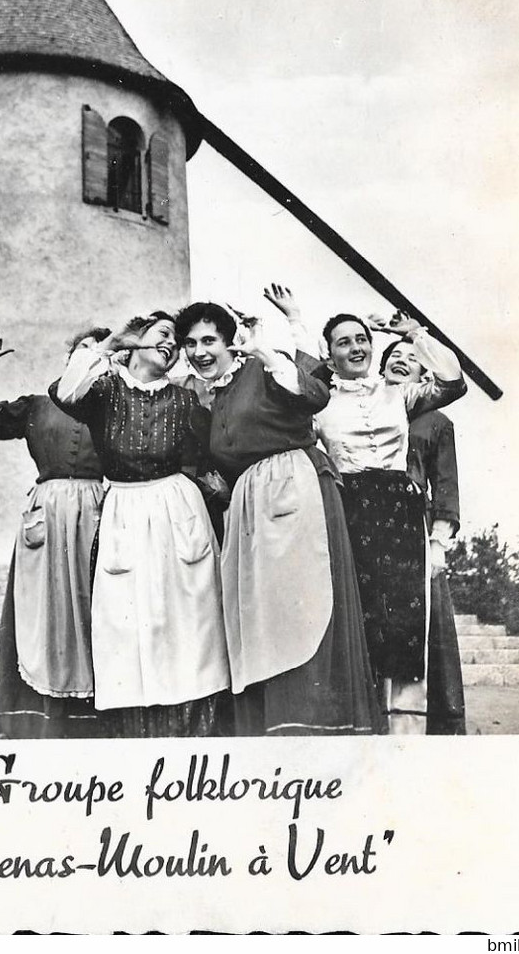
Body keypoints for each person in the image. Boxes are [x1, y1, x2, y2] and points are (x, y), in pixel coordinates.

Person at [174, 299, 382, 737]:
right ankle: (274, 724)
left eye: (209, 340)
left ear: (232, 342)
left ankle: (316, 722)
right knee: (262, 617)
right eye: (190, 343)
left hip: (296, 489)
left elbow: (314, 394)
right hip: (251, 504)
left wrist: (265, 351)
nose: (199, 351)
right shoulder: (213, 393)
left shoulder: (264, 369)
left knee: (303, 604)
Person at [49, 312, 230, 738]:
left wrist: (212, 486)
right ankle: (135, 733)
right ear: (138, 338)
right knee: (125, 621)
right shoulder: (107, 388)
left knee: (187, 618)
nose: (171, 344)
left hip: (176, 508)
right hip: (124, 510)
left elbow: (209, 454)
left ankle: (191, 731)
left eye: (177, 340)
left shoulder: (185, 400)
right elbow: (64, 392)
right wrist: (113, 343)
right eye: (163, 334)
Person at [0, 329, 109, 739]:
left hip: (98, 513)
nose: (90, 358)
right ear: (68, 359)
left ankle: (95, 710)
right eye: (82, 350)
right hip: (48, 515)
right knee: (44, 607)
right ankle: (38, 712)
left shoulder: (116, 409)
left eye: (100, 353)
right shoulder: (36, 406)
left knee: (95, 606)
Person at [315, 310, 467, 734]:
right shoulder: (320, 404)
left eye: (362, 339)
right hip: (351, 512)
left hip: (401, 513)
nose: (357, 347)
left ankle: (405, 735)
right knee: (360, 622)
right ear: (329, 356)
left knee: (405, 624)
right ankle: (361, 729)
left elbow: (453, 382)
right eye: (343, 342)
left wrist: (415, 334)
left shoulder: (398, 394)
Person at [380, 337, 466, 735]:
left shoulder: (434, 422)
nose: (401, 361)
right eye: (393, 357)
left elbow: (444, 486)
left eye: (410, 359)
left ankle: (415, 731)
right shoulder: (354, 410)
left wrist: (437, 544)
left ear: (423, 375)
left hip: (414, 535)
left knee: (418, 632)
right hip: (364, 528)